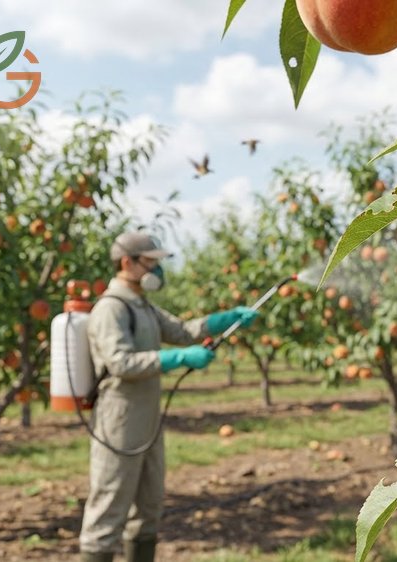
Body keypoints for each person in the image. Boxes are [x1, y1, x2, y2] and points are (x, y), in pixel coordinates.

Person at [79, 232, 258, 562]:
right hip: (118, 417)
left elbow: (181, 331)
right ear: (127, 263)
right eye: (151, 262)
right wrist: (177, 358)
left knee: (149, 506)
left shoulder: (142, 305)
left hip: (147, 417)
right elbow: (120, 362)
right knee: (109, 505)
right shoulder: (111, 308)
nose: (158, 270)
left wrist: (223, 320)